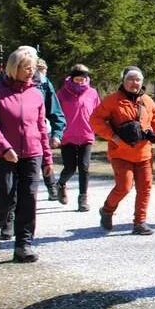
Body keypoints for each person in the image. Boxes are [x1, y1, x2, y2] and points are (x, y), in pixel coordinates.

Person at [0, 46, 52, 261]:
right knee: (5, 196)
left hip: (32, 153)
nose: (31, 71)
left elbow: (42, 127)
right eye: (26, 68)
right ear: (14, 68)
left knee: (28, 198)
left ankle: (23, 245)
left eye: (33, 68)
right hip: (4, 154)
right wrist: (4, 147)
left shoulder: (36, 94)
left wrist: (47, 157)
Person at [91, 66, 155, 235]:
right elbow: (95, 120)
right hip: (120, 152)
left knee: (145, 188)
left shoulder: (148, 101)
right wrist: (112, 136)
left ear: (142, 82)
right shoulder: (112, 100)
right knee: (124, 187)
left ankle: (139, 222)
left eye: (137, 79)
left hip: (144, 153)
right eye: (130, 79)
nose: (134, 83)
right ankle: (107, 210)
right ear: (123, 80)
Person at [57, 64, 100, 211]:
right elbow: (56, 115)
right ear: (72, 78)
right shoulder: (62, 93)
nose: (80, 82)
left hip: (86, 135)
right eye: (77, 79)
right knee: (70, 168)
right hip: (67, 135)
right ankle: (61, 184)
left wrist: (99, 128)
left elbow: (98, 112)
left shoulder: (93, 93)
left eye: (83, 79)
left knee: (84, 167)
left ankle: (83, 198)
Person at [32, 59, 67, 201]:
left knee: (46, 159)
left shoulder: (45, 83)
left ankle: (52, 187)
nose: (42, 72)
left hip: (42, 129)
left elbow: (54, 110)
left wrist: (57, 133)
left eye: (43, 69)